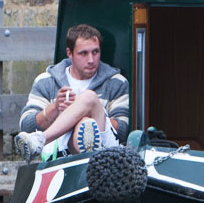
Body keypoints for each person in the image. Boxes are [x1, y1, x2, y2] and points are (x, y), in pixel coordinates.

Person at [14, 24, 131, 161]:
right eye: (83, 53)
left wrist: (83, 111)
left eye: (95, 52)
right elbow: (26, 125)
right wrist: (55, 109)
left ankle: (41, 140)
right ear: (70, 53)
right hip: (60, 151)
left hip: (105, 149)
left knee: (89, 100)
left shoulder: (116, 82)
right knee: (85, 124)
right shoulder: (46, 81)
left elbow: (123, 129)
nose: (91, 60)